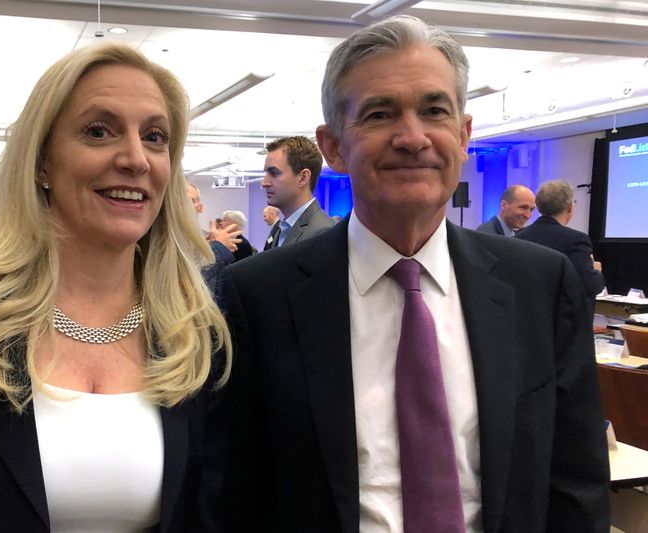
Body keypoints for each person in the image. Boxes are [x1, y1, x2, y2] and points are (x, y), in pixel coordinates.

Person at [219, 15, 609, 532]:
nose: (412, 137)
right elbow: (236, 493)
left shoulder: (540, 284)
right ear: (333, 146)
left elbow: (577, 483)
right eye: (379, 114)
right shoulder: (259, 295)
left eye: (434, 111)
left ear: (463, 134)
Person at [0, 42, 231, 532]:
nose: (136, 159)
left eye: (155, 137)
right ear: (41, 162)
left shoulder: (195, 326)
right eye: (99, 131)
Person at [516, 180, 606, 304]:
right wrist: (596, 271)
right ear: (569, 207)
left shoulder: (519, 237)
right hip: (561, 314)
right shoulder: (576, 240)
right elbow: (589, 286)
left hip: (525, 312)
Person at [261, 136, 335, 250]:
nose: (264, 183)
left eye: (274, 173)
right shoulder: (282, 229)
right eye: (266, 173)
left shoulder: (322, 234)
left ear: (303, 178)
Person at [186, 181, 241, 293]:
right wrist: (218, 248)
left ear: (200, 207)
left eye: (190, 201)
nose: (182, 205)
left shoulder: (203, 239)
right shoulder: (166, 239)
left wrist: (213, 248)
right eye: (177, 200)